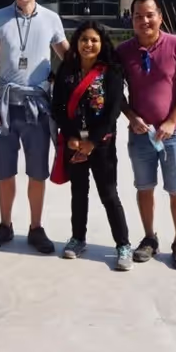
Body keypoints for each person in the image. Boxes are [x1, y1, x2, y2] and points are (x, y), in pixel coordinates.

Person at [0, 0, 69, 254]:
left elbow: (68, 58)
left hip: (38, 108)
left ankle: (35, 227)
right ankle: (5, 225)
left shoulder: (51, 19)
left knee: (37, 172)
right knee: (4, 172)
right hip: (4, 106)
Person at [117, 0, 176, 270]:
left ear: (160, 17)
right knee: (144, 187)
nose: (144, 20)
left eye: (150, 15)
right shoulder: (124, 51)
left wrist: (173, 120)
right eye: (138, 16)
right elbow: (115, 92)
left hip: (174, 133)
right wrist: (130, 116)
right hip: (141, 133)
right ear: (132, 20)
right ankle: (150, 238)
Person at [51, 21, 132, 270]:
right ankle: (77, 238)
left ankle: (123, 245)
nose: (89, 44)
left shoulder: (112, 71)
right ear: (76, 43)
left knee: (109, 194)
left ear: (102, 43)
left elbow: (113, 111)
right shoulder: (67, 70)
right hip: (75, 142)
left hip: (102, 145)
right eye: (84, 39)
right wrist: (72, 136)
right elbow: (59, 107)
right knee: (78, 193)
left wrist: (92, 142)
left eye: (94, 40)